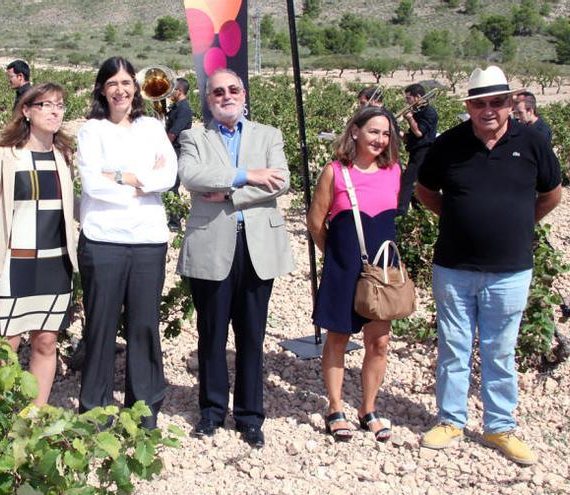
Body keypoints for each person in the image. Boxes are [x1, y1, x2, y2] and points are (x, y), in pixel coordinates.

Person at [416, 66, 561, 465]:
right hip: (454, 268)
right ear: (469, 106)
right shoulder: (448, 144)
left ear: (510, 104)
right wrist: (457, 216)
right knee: (453, 347)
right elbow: (425, 190)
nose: (489, 110)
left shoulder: (532, 143)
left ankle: (499, 426)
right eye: (480, 103)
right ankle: (450, 420)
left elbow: (551, 193)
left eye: (497, 102)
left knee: (500, 351)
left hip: (511, 270)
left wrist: (518, 221)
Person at [178, 68, 294, 448]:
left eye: (232, 90)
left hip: (258, 247)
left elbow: (281, 180)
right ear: (208, 99)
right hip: (211, 245)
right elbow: (192, 176)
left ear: (243, 94)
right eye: (217, 92)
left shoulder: (269, 134)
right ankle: (211, 412)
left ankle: (249, 416)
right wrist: (249, 174)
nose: (226, 96)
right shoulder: (193, 136)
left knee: (252, 335)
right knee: (211, 334)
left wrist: (229, 192)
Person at [76, 56, 177, 428]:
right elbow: (92, 184)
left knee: (144, 326)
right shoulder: (92, 131)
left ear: (135, 87)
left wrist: (124, 177)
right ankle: (94, 408)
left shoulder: (152, 126)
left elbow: (168, 174)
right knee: (100, 325)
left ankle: (144, 408)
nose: (120, 89)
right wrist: (139, 182)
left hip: (148, 240)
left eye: (126, 82)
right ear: (102, 89)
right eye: (112, 83)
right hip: (103, 239)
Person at [307, 106, 401, 443]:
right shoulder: (335, 172)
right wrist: (335, 258)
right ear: (356, 131)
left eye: (386, 133)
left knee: (379, 342)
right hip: (344, 269)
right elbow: (316, 222)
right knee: (338, 338)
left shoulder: (394, 171)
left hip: (383, 273)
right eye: (374, 131)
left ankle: (368, 409)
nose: (380, 139)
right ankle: (335, 407)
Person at [0, 83, 78, 406]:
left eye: (60, 105)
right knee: (5, 345)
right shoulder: (1, 156)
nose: (55, 111)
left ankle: (35, 418)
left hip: (55, 262)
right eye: (46, 105)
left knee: (46, 342)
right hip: (13, 262)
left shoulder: (64, 156)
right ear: (26, 110)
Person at [398, 83, 437, 214]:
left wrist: (409, 118)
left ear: (418, 97)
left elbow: (419, 132)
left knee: (407, 183)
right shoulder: (418, 112)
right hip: (415, 152)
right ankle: (418, 212)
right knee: (417, 185)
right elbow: (412, 138)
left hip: (424, 152)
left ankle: (401, 214)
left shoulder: (429, 112)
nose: (407, 101)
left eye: (408, 98)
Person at [165, 77, 193, 231]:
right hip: (171, 149)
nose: (169, 92)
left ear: (180, 91)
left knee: (173, 186)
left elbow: (173, 133)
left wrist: (160, 147)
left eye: (172, 90)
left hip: (176, 150)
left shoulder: (184, 110)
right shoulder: (176, 107)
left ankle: (175, 222)